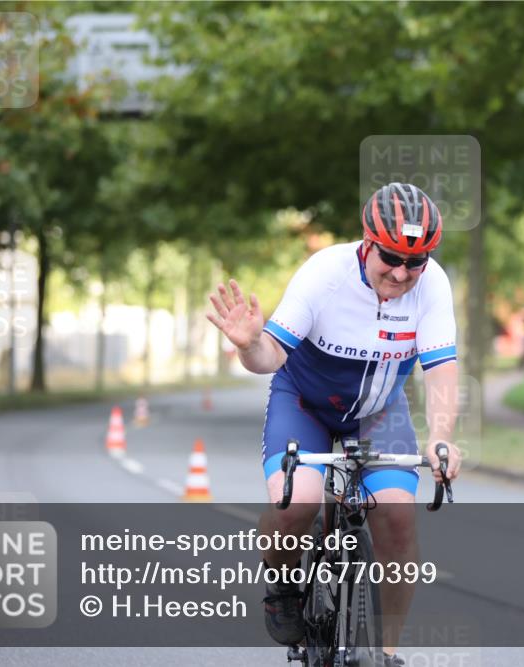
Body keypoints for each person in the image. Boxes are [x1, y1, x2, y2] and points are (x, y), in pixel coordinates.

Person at [207, 183, 462, 666]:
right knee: (295, 507)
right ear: (367, 242)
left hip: (377, 411)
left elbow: (441, 368)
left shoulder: (432, 284)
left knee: (399, 518)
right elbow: (270, 356)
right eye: (391, 256)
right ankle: (282, 581)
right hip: (303, 403)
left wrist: (443, 438)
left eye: (416, 261)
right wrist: (247, 344)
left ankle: (386, 654)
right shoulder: (326, 272)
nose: (402, 271)